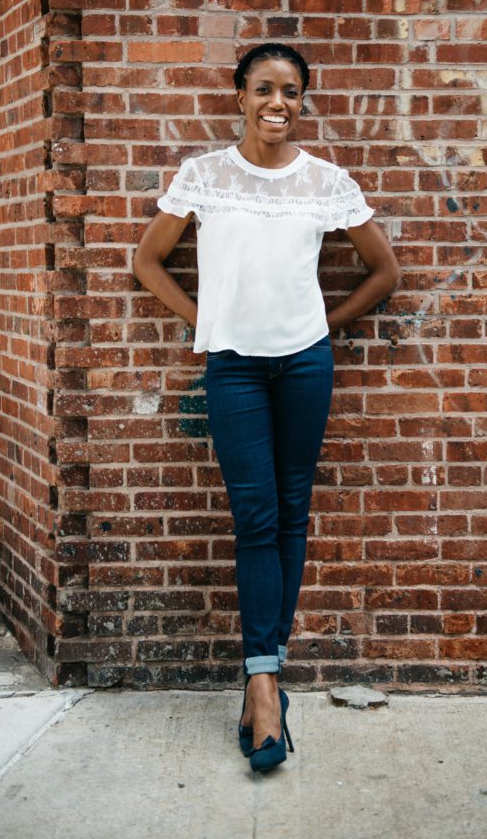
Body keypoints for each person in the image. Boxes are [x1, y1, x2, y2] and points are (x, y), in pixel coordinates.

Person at [133, 42, 401, 773]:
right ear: (239, 96)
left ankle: (266, 678)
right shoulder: (206, 176)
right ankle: (261, 682)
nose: (277, 103)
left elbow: (384, 272)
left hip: (305, 364)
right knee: (254, 516)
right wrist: (204, 320)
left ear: (302, 100)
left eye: (290, 91)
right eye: (263, 89)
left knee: (291, 512)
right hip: (235, 371)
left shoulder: (325, 181)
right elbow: (146, 261)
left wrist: (325, 324)